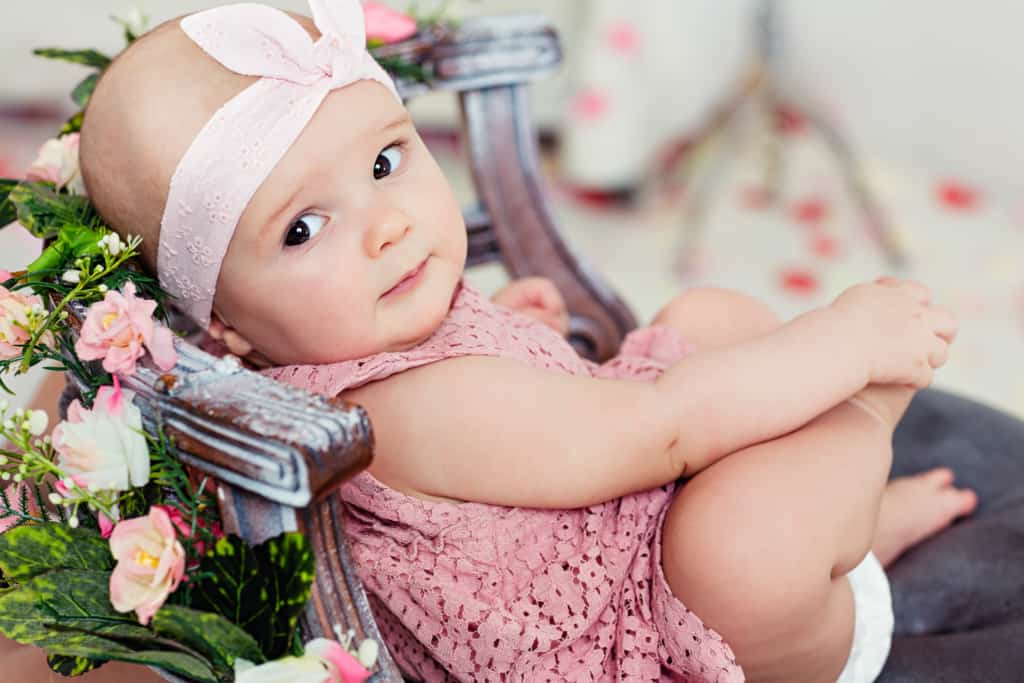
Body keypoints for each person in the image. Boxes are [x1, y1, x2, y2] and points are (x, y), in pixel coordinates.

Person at [53, 1, 978, 680]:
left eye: (384, 162)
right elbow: (661, 426)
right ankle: (867, 428)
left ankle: (846, 531)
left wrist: (515, 331)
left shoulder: (363, 339)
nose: (385, 225)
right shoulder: (405, 413)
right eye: (303, 228)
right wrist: (843, 342)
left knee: (709, 319)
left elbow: (523, 427)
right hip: (666, 632)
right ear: (225, 321)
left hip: (617, 512)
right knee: (737, 551)